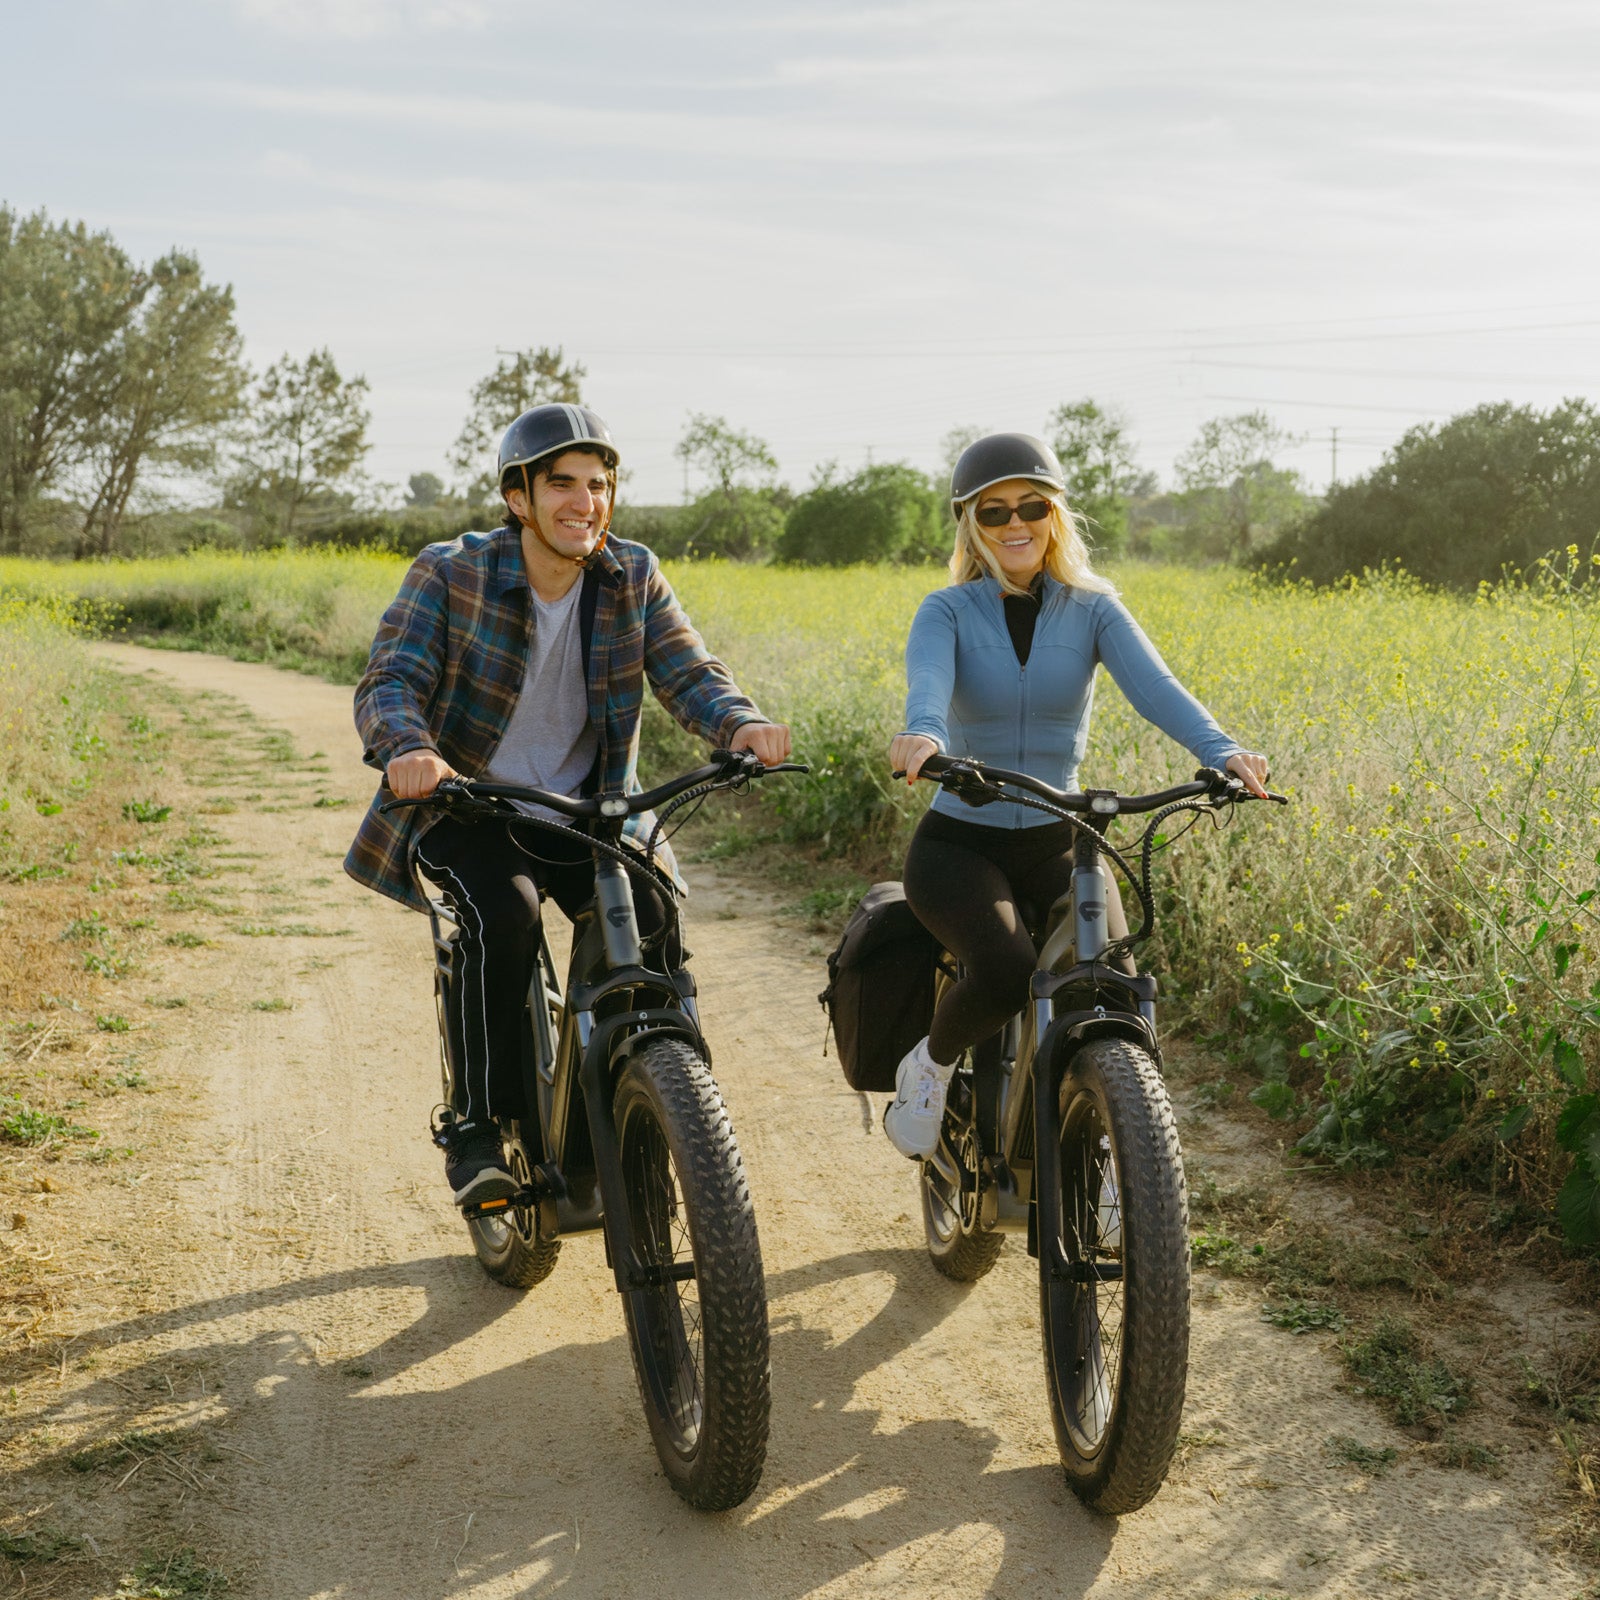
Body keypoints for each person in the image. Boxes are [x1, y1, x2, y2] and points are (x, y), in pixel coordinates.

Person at [346, 403, 790, 1206]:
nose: (584, 502)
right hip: (472, 806)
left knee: (650, 906)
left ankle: (636, 1100)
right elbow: (391, 679)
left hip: (589, 811)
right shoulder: (452, 571)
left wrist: (743, 723)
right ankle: (483, 1126)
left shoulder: (633, 572)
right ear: (519, 497)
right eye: (562, 484)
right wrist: (409, 748)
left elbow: (690, 672)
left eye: (598, 485)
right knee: (504, 918)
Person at [883, 431, 1270, 1159]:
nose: (1016, 523)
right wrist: (924, 739)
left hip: (1060, 839)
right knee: (1002, 972)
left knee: (1115, 991)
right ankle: (929, 1066)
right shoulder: (946, 610)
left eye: (1032, 504)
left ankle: (1124, 1162)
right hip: (961, 842)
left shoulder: (1094, 610)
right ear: (971, 523)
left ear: (1055, 513)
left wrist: (1223, 752)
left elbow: (1159, 690)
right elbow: (927, 690)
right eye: (995, 512)